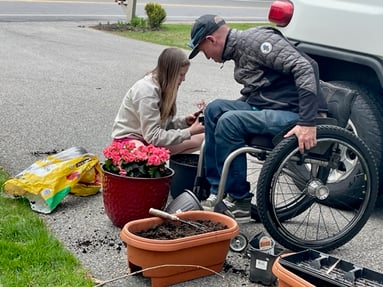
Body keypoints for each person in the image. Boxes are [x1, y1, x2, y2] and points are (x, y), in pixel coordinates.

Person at [188, 15, 328, 219]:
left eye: (203, 51)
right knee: (215, 109)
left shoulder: (257, 41)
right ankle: (216, 192)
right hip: (271, 107)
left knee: (230, 121)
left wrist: (307, 122)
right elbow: (261, 90)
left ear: (211, 40)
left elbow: (306, 67)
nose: (207, 57)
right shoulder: (239, 50)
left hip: (297, 113)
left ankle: (239, 200)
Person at [111, 47, 205, 154]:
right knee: (141, 152)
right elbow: (153, 136)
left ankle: (161, 164)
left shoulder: (165, 87)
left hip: (148, 140)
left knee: (201, 138)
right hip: (129, 141)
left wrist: (184, 122)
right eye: (181, 74)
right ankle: (150, 166)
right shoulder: (146, 91)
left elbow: (163, 127)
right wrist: (190, 131)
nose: (184, 79)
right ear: (171, 74)